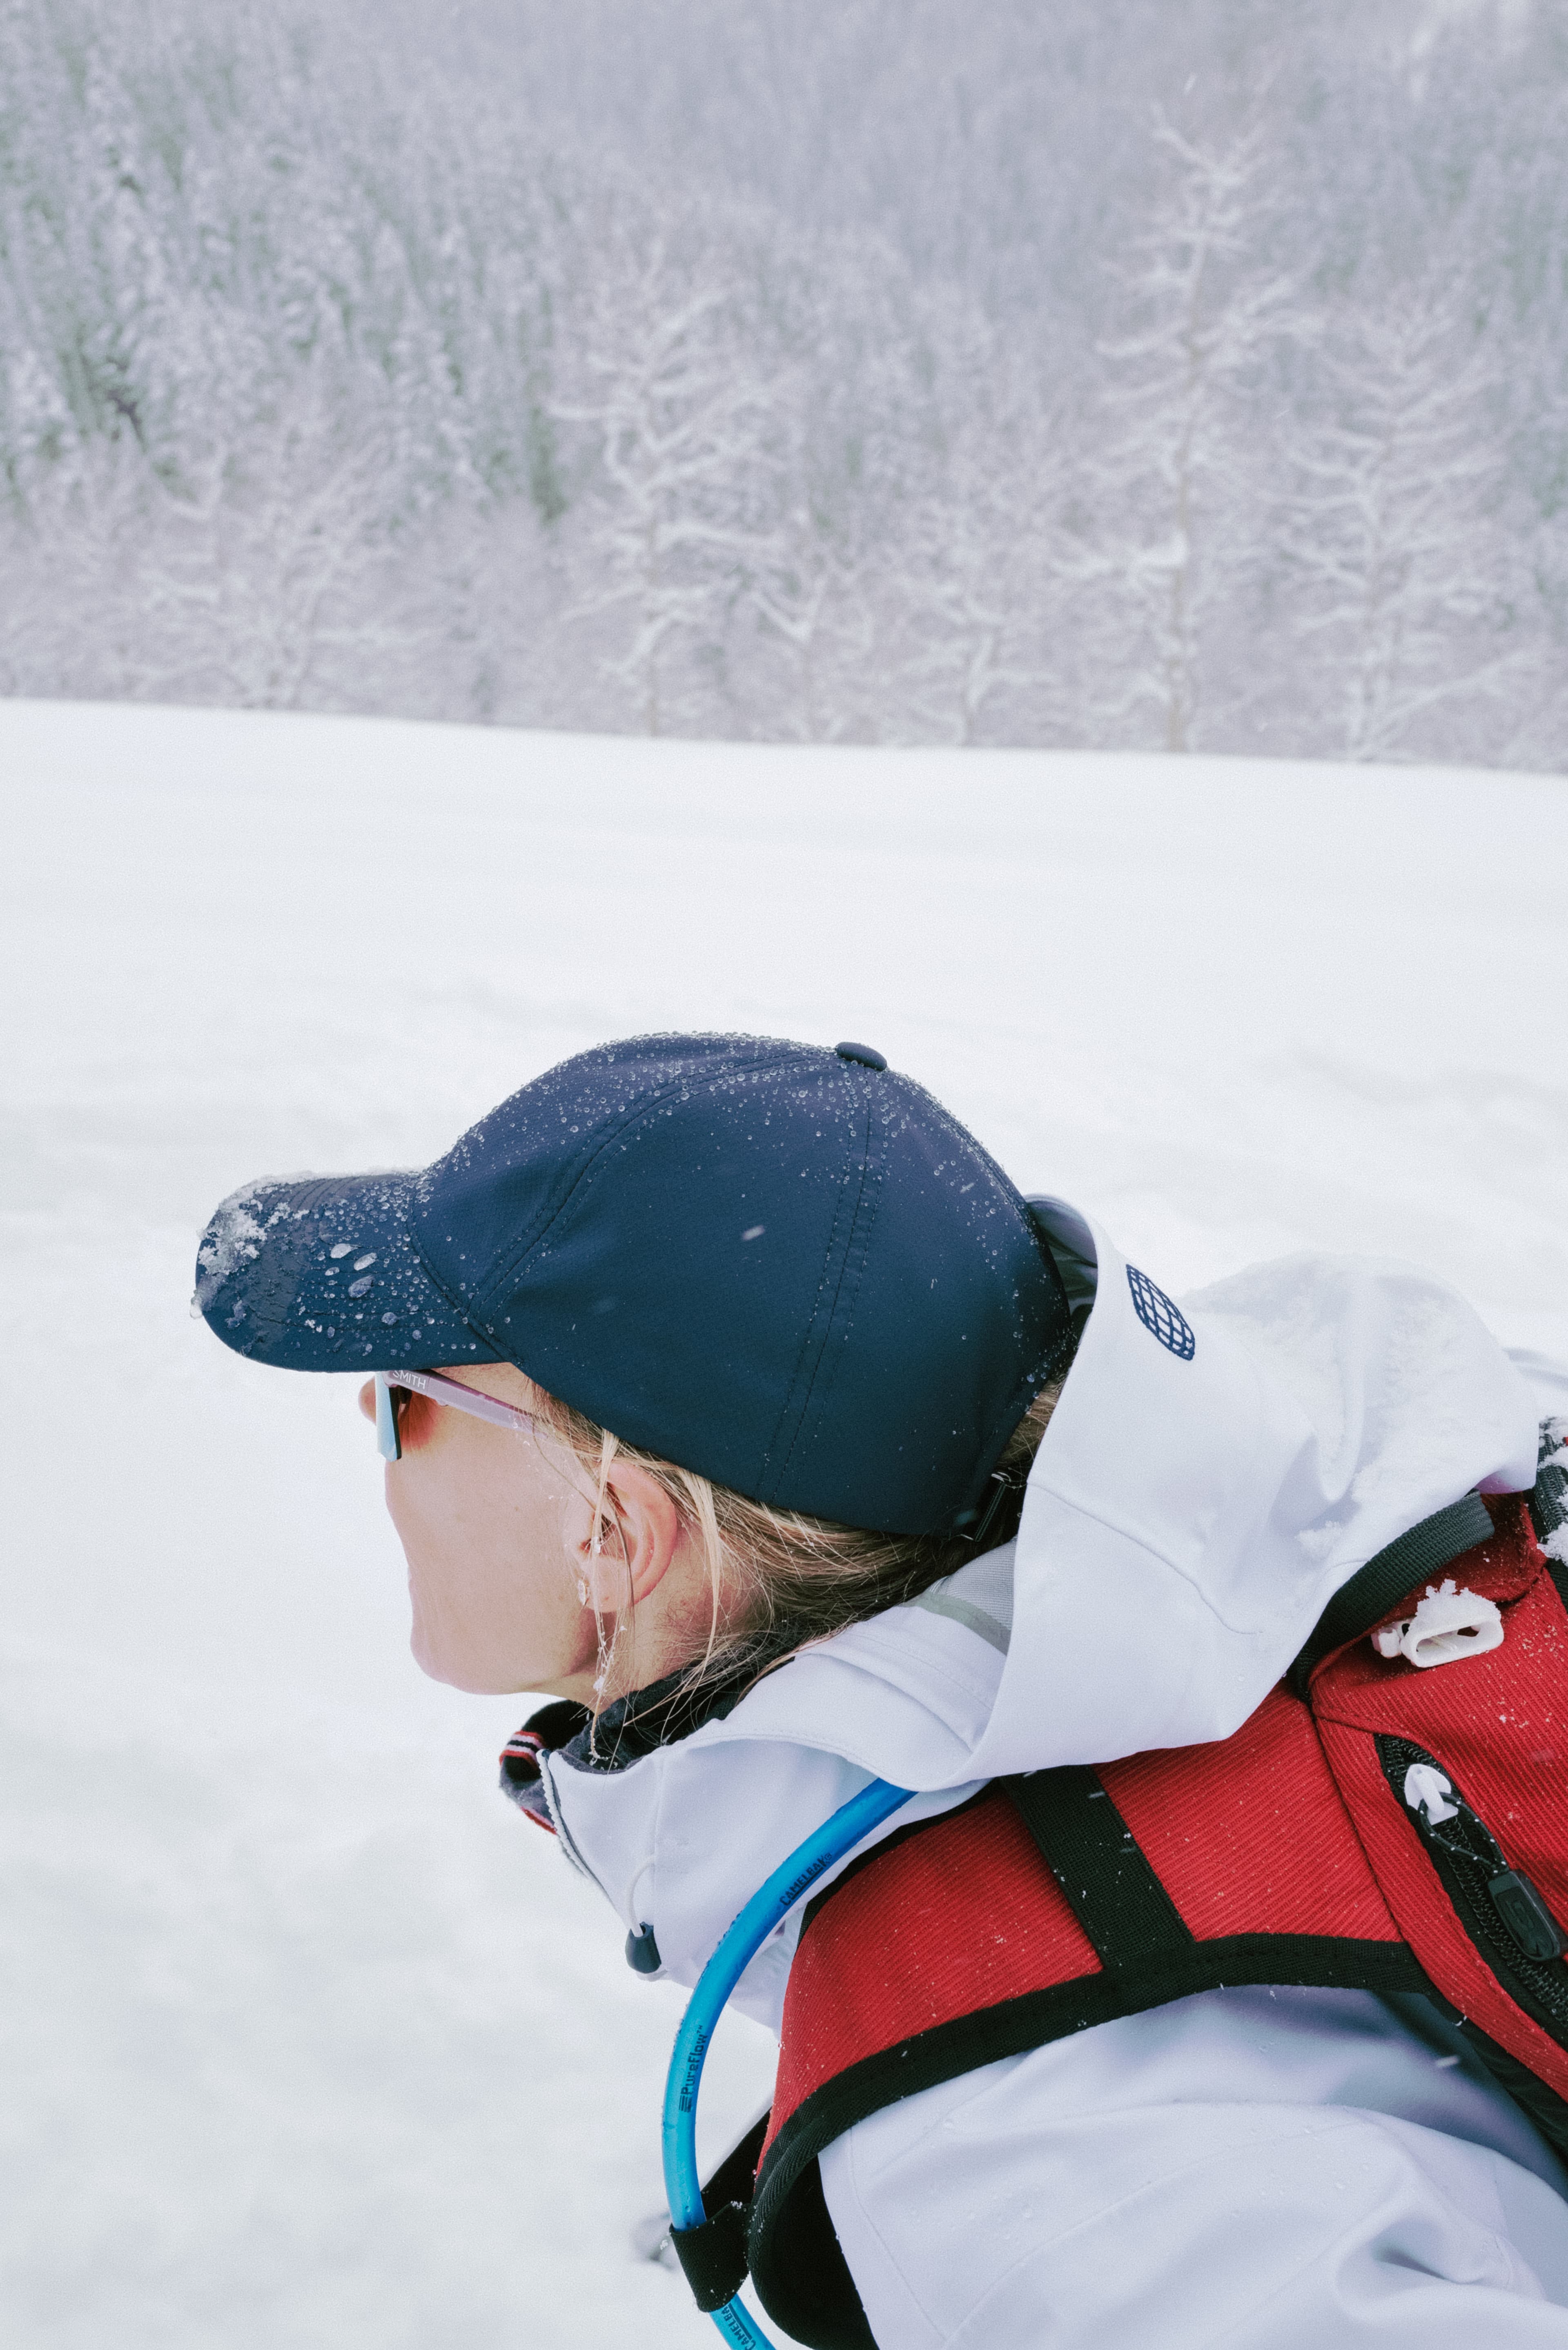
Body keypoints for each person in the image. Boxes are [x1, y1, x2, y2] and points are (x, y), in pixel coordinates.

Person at [195, 1030, 1568, 2348]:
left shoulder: (1025, 2176)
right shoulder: (1390, 1492)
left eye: (401, 1399)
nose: (363, 1423)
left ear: (610, 1532)